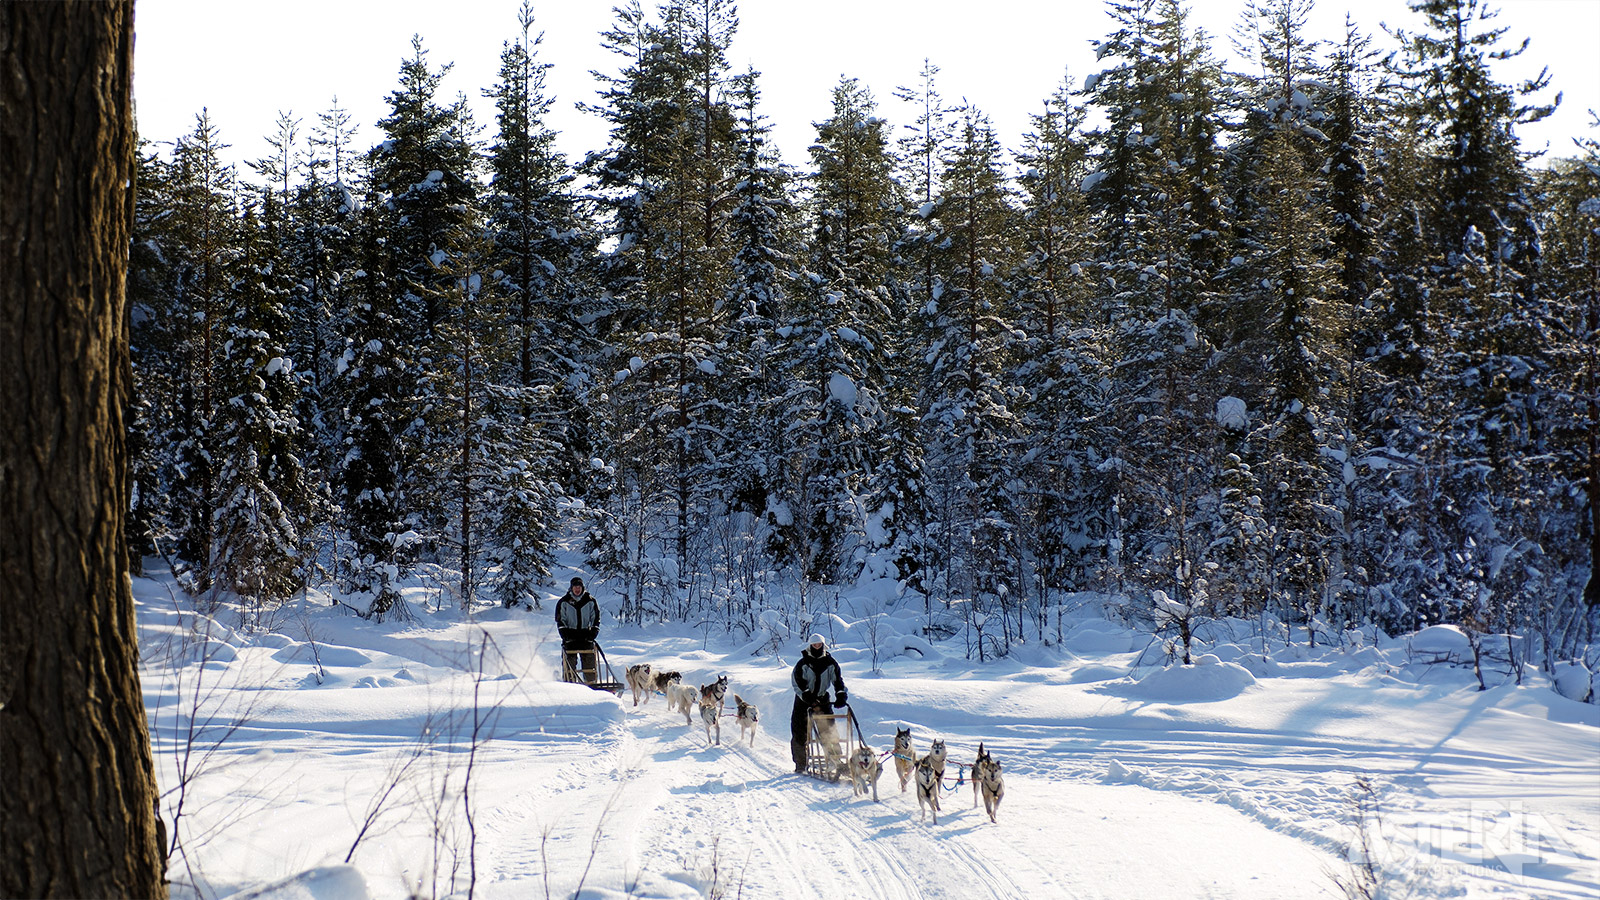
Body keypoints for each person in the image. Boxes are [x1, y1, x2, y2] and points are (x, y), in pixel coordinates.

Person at [790, 633, 848, 774]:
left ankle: (835, 760)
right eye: (814, 645)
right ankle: (801, 764)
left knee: (829, 731)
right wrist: (807, 695)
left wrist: (840, 694)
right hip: (803, 701)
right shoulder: (803, 663)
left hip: (822, 700)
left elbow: (838, 680)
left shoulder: (830, 662)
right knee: (800, 733)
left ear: (823, 645)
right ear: (810, 646)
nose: (817, 647)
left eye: (819, 644)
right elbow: (797, 682)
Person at [555, 576, 600, 684]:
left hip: (586, 636)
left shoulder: (590, 601)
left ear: (582, 587)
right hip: (570, 637)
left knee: (590, 666)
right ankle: (570, 687)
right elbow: (560, 620)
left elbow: (596, 618)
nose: (577, 589)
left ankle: (591, 685)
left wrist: (593, 631)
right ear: (571, 588)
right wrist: (564, 634)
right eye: (575, 587)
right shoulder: (564, 602)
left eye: (579, 587)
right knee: (569, 667)